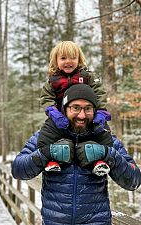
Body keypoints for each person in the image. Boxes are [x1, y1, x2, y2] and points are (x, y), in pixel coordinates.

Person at [12, 84, 141, 225]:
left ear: (95, 110)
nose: (82, 115)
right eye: (76, 108)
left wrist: (107, 154)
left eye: (88, 109)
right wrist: (46, 153)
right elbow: (18, 170)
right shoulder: (46, 136)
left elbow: (134, 181)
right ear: (65, 109)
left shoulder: (105, 137)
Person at [40, 41, 111, 173]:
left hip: (85, 115)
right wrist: (53, 112)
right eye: (63, 58)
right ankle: (52, 160)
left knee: (102, 132)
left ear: (79, 59)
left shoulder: (86, 76)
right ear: (56, 61)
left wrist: (101, 112)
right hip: (61, 117)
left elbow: (99, 94)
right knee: (47, 134)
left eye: (73, 58)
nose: (68, 61)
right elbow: (46, 98)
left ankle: (100, 161)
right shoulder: (53, 81)